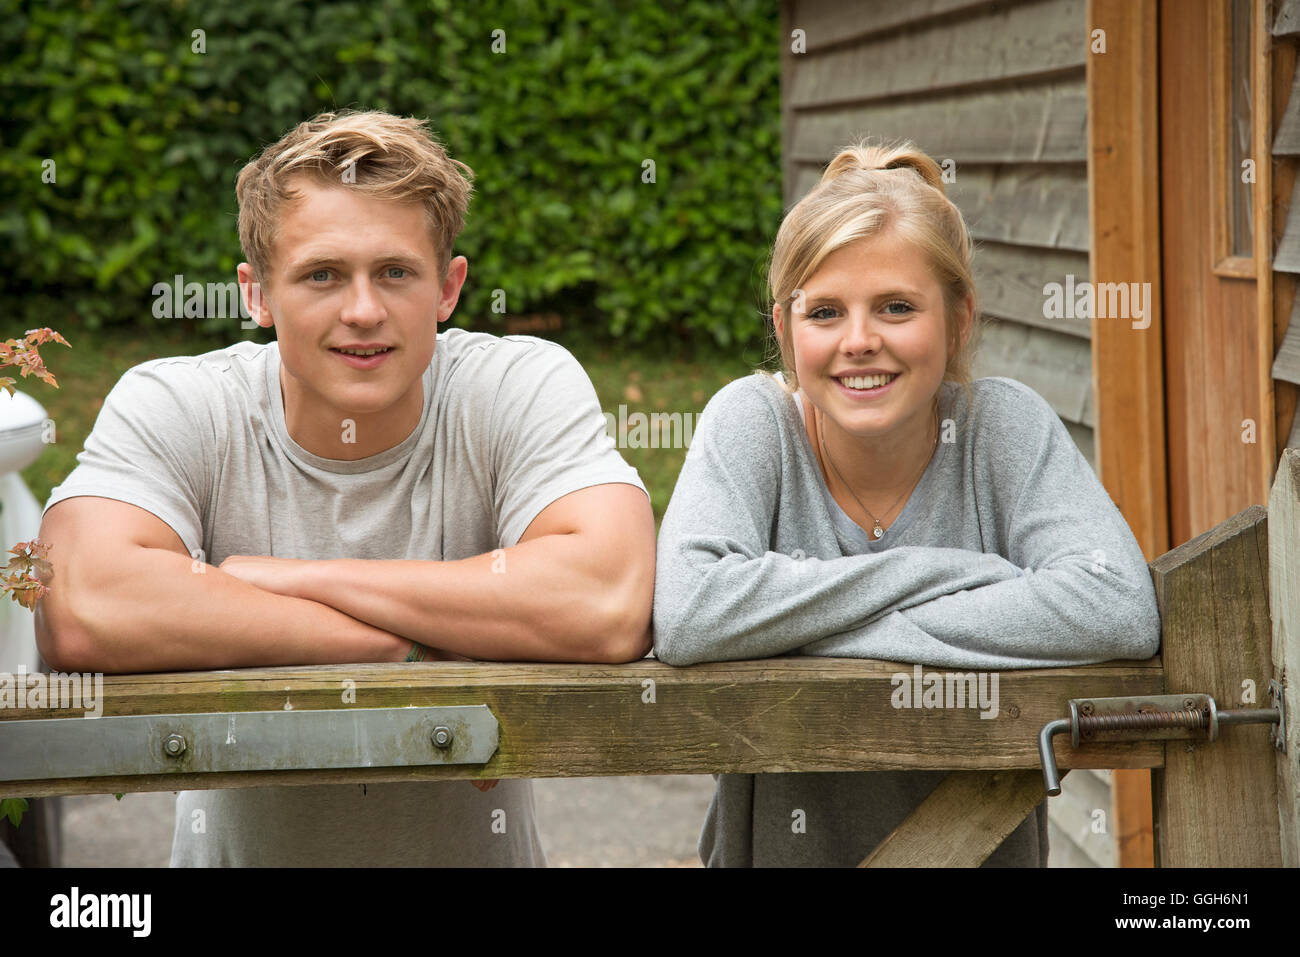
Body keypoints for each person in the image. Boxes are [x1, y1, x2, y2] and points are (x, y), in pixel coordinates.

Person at [34, 110, 656, 867]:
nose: (363, 311)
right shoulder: (180, 401)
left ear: (448, 288)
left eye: (395, 272)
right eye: (322, 274)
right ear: (256, 295)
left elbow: (610, 596)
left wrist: (295, 580)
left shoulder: (517, 384)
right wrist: (419, 644)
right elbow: (80, 603)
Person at [652, 139, 1161, 867]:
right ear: (783, 330)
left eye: (896, 306)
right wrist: (958, 574)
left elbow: (1117, 603)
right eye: (824, 311)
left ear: (958, 319)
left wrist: (787, 622)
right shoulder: (750, 422)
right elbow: (692, 612)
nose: (859, 341)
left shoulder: (1001, 427)